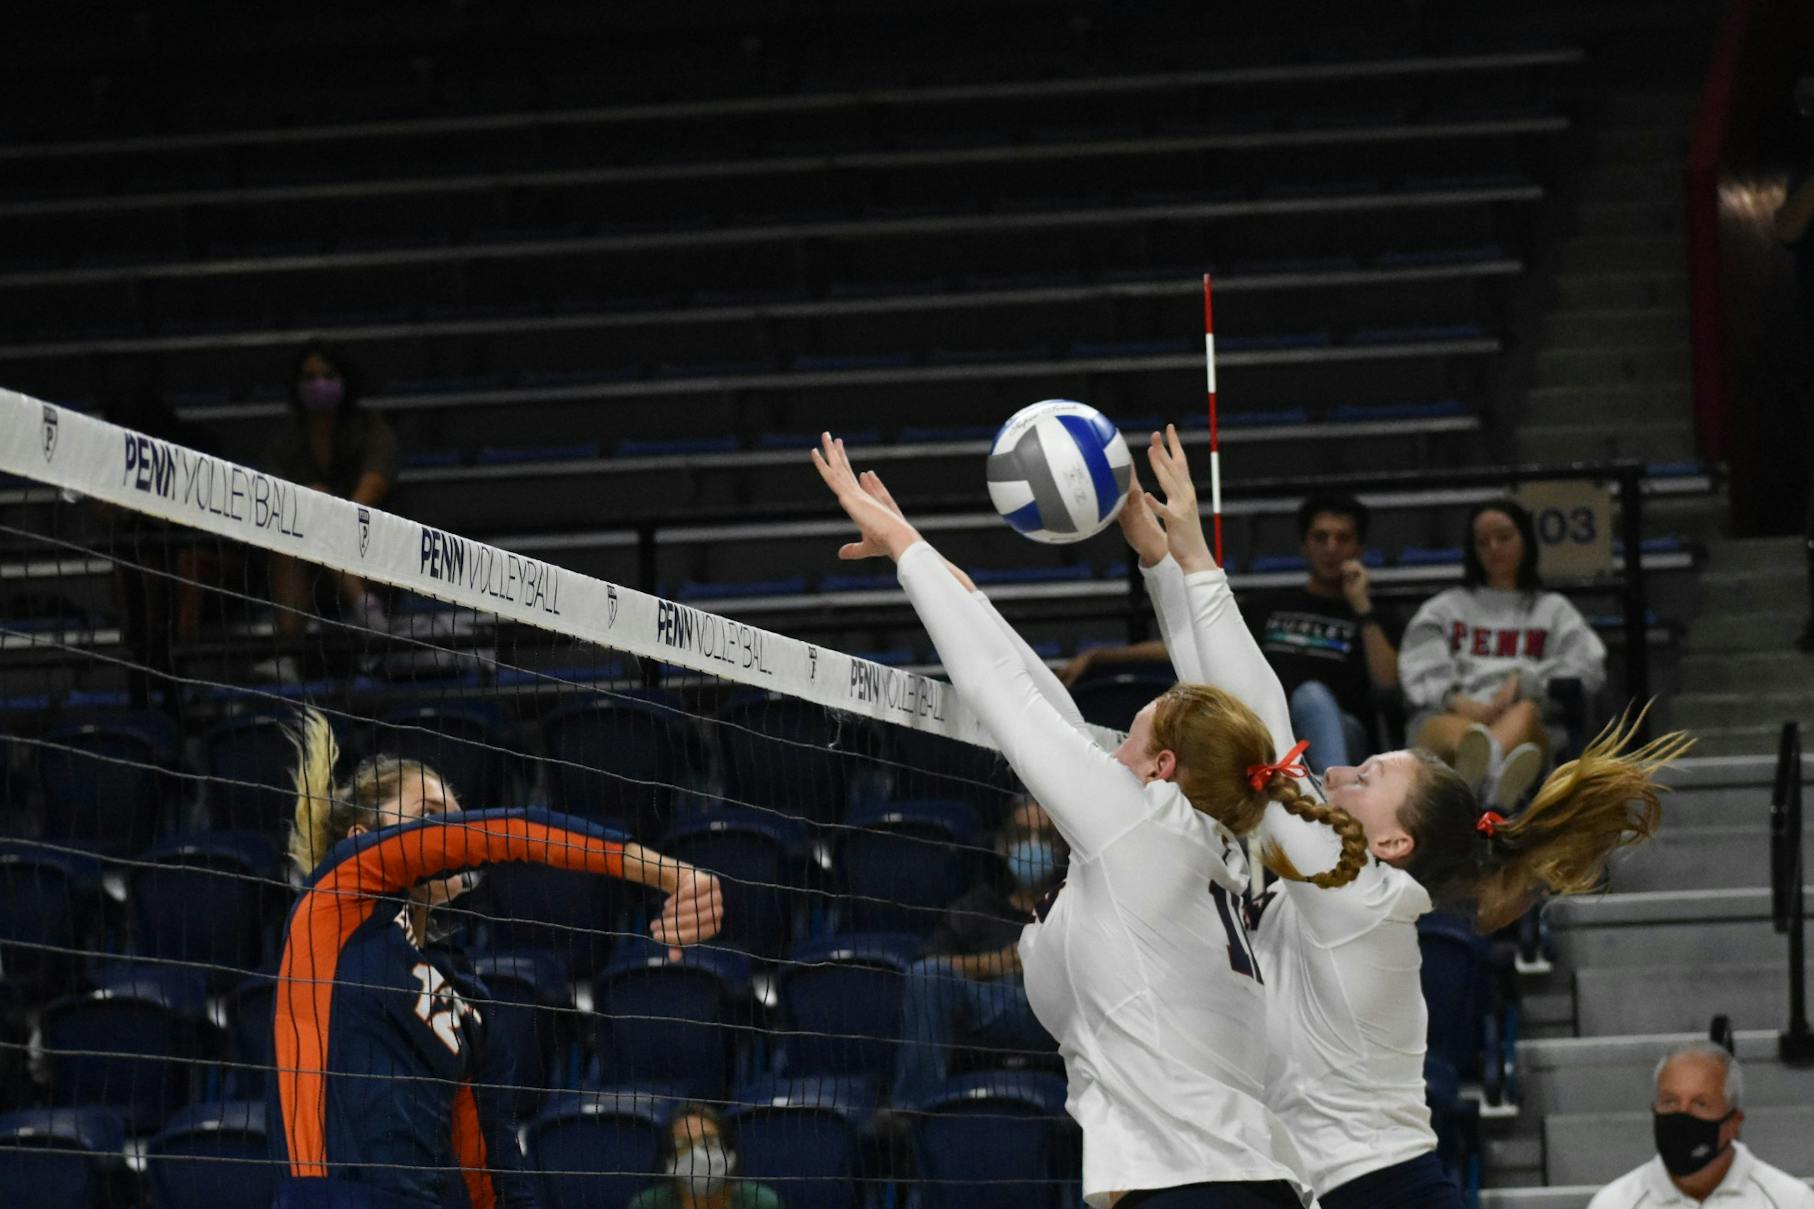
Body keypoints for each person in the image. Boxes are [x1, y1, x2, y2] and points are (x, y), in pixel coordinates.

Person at [1126, 426, 1691, 1209]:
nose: (1333, 772)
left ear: (1394, 840)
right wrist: (1159, 560)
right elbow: (1225, 714)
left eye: (1363, 775)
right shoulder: (1348, 887)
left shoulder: (1356, 893)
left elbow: (1259, 721)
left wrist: (1192, 557)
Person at [813, 433, 1369, 1209]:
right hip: (1244, 1184)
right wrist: (1158, 560)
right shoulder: (1212, 831)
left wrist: (907, 548)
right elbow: (1041, 692)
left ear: (1163, 765)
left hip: (1192, 1191)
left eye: (1145, 711)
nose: (1125, 716)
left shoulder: (1135, 826)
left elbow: (1001, 690)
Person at [269, 708, 724, 1208]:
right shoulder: (334, 905)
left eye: (453, 819)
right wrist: (671, 875)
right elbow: (514, 831)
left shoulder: (465, 997)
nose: (449, 836)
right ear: (361, 838)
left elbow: (491, 1169)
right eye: (428, 816)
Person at [1060, 493, 1398, 775]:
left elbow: (1388, 686)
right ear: (1304, 545)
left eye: (1343, 538)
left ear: (1360, 547)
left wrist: (1362, 608)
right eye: (1320, 537)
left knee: (1312, 697)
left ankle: (1333, 806)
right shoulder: (1271, 605)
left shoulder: (1376, 615)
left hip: (1339, 731)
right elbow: (1196, 641)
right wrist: (1102, 655)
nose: (1331, 548)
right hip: (1262, 726)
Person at [1397, 498, 1608, 807]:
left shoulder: (1553, 610)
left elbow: (1588, 667)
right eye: (1482, 542)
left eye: (1504, 537)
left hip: (1524, 722)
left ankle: (1476, 794)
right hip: (1449, 715)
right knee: (1468, 739)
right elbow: (1417, 671)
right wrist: (1458, 701)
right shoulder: (1443, 609)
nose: (1494, 547)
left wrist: (1526, 682)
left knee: (1523, 714)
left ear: (1526, 540)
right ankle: (1495, 795)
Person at [891, 799, 1062, 1106]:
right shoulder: (977, 907)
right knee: (927, 977)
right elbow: (928, 964)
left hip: (1053, 1015)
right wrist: (995, 964)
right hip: (988, 1007)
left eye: (1045, 837)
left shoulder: (1076, 906)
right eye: (1023, 835)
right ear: (1004, 845)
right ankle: (911, 1113)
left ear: (1061, 848)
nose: (1034, 847)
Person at [263, 341, 399, 647]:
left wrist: (322, 515)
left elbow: (373, 487)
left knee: (317, 501)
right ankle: (288, 650)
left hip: (369, 547)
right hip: (303, 562)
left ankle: (367, 608)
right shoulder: (286, 443)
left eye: (327, 375)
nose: (318, 384)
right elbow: (275, 505)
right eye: (309, 377)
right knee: (292, 532)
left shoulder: (372, 430)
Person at [1587, 1043, 1812, 1209]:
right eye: (1670, 1102)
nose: (1682, 1115)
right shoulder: (1614, 1204)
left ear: (1734, 1122)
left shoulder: (1791, 1201)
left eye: (1700, 1104)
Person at [627, 1101, 785, 1209]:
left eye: (708, 1143)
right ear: (670, 1161)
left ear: (729, 1153)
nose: (697, 1155)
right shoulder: (647, 1205)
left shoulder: (761, 1203)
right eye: (683, 1146)